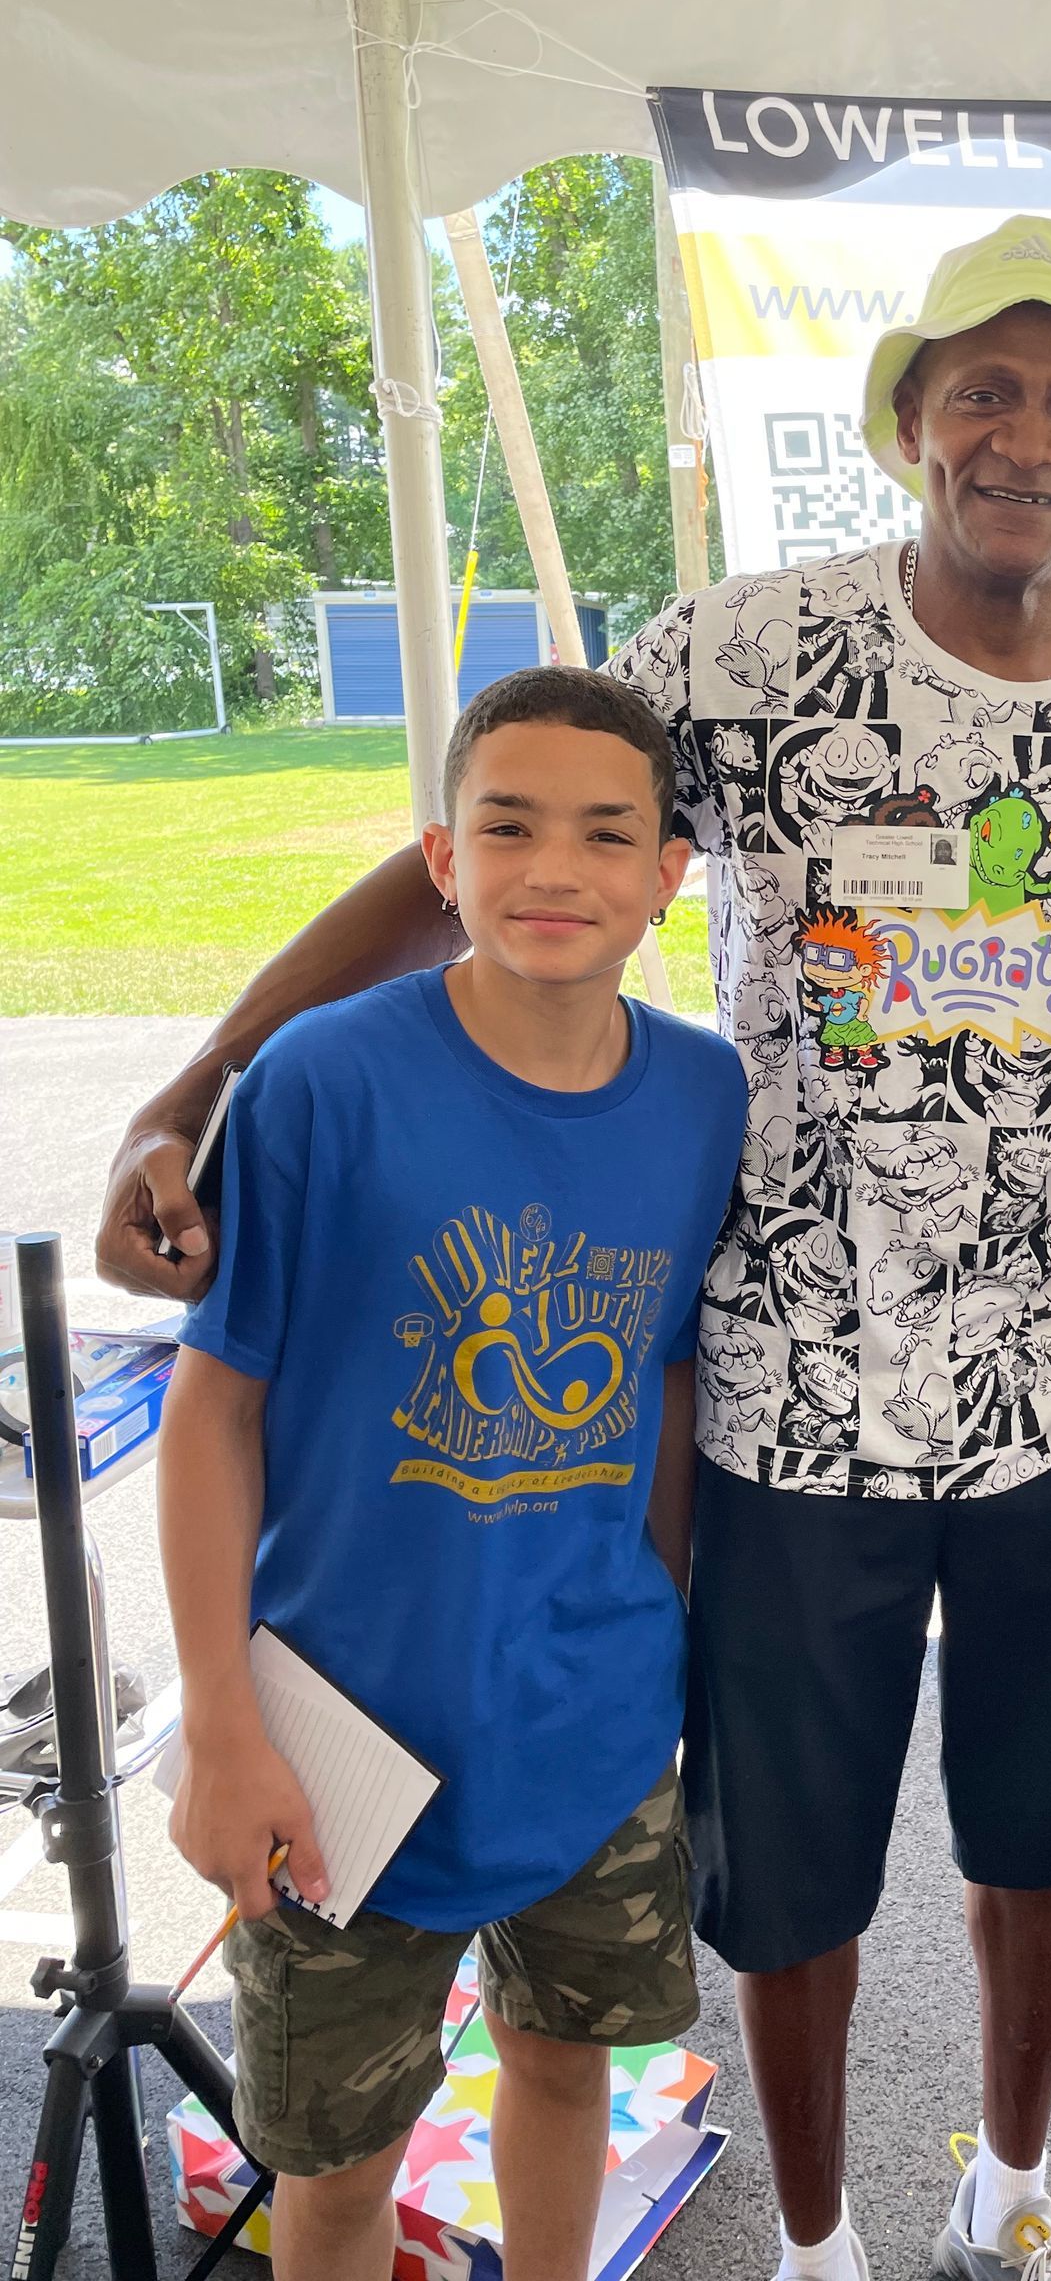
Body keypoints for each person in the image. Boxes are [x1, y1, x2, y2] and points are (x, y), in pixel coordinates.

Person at [100, 214, 1051, 2281]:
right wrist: (197, 1080)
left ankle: (1005, 2180)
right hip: (789, 1383)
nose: (1027, 435)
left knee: (1035, 1841)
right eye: (984, 391)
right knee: (786, 1876)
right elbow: (470, 846)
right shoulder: (737, 652)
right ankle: (814, 2236)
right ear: (911, 419)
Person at [155, 667, 746, 2281]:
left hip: (595, 1716)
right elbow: (212, 1412)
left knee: (564, 2066)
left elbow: (675, 1378)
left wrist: (669, 1638)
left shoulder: (705, 1096)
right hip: (338, 1735)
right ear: (441, 859)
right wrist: (221, 1720)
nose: (556, 869)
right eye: (509, 825)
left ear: (668, 879)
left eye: (607, 834)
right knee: (333, 2168)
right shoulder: (323, 1082)